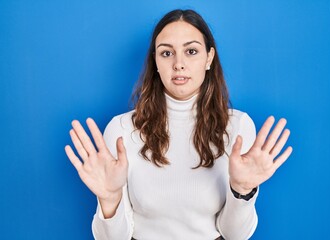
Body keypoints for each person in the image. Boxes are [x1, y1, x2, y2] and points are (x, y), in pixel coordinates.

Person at [65, 9, 292, 240]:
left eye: (191, 51)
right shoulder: (121, 129)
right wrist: (109, 199)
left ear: (209, 58)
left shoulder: (237, 126)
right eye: (166, 53)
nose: (178, 64)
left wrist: (242, 191)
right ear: (155, 60)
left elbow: (235, 235)